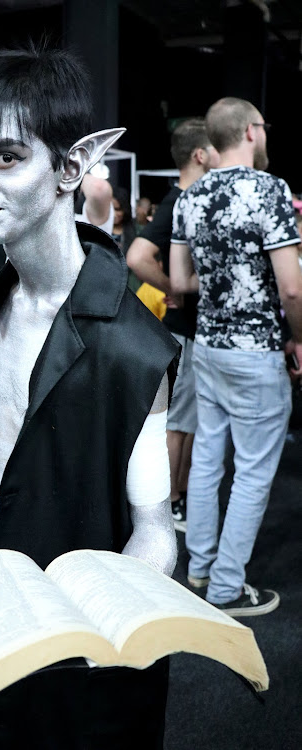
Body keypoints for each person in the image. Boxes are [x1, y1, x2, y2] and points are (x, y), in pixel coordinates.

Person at [0, 45, 180, 749]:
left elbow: (154, 526)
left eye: (5, 157)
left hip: (79, 617)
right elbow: (0, 445)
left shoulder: (130, 346)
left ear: (68, 169)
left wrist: (97, 626)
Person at [170, 97, 302, 616]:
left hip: (208, 346)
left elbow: (180, 283)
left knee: (206, 461)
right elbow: (291, 289)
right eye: (263, 128)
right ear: (251, 131)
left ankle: (200, 570)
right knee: (250, 472)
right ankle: (226, 588)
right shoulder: (270, 190)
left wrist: (228, 282)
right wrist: (299, 337)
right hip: (255, 351)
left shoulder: (189, 196)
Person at [127, 118, 220, 533]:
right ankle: (170, 505)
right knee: (179, 423)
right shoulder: (180, 200)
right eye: (216, 149)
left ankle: (177, 499)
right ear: (201, 155)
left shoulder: (191, 199)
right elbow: (137, 257)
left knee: (188, 421)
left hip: (193, 329)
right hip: (184, 328)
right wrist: (175, 288)